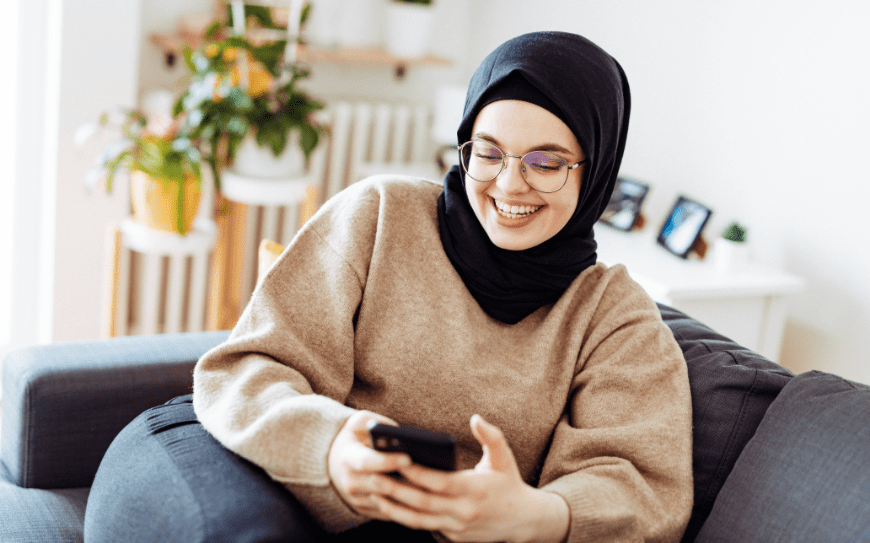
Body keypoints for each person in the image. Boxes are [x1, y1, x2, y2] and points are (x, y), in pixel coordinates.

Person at [86, 31, 692, 543]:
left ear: (597, 171)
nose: (510, 184)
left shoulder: (612, 316)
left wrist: (538, 515)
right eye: (489, 152)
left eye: (546, 161)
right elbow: (248, 368)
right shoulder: (381, 214)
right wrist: (329, 447)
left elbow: (646, 490)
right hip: (241, 464)